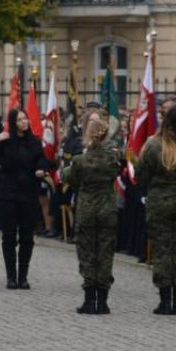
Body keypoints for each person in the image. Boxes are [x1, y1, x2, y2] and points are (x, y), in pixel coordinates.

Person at [136, 103, 176, 316]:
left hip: (160, 204)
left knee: (163, 250)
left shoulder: (154, 145)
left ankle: (164, 301)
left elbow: (141, 176)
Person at [0, 108, 50, 289]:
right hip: (8, 193)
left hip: (28, 193)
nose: (24, 122)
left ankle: (23, 276)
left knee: (27, 237)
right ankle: (11, 276)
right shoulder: (5, 141)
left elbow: (43, 160)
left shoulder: (34, 141)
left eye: (25, 119)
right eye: (19, 119)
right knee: (9, 237)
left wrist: (41, 169)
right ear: (13, 122)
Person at [67, 117, 122, 314]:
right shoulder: (113, 159)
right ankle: (104, 301)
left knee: (88, 253)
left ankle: (90, 300)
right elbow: (118, 170)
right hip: (107, 209)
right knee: (105, 254)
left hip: (87, 210)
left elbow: (72, 179)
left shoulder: (80, 160)